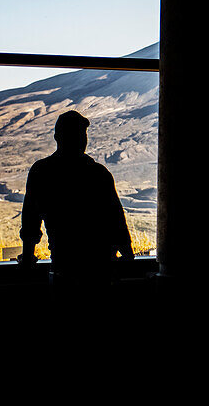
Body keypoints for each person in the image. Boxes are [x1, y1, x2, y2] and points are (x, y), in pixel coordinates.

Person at [17, 110, 133, 286]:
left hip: (65, 267)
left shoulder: (42, 172)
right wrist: (127, 256)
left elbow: (30, 221)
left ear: (56, 137)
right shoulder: (97, 173)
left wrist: (27, 258)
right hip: (101, 269)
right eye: (79, 134)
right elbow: (116, 220)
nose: (82, 139)